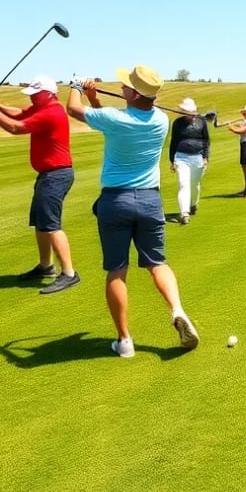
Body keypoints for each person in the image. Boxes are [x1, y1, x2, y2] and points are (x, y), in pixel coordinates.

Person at [66, 65, 199, 358]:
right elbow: (109, 120)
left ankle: (124, 341)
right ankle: (177, 309)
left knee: (117, 270)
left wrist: (76, 86)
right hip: (150, 201)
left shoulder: (116, 118)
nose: (121, 87)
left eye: (126, 85)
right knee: (158, 264)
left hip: (116, 201)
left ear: (135, 94)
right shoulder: (161, 120)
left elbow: (73, 110)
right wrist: (94, 98)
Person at [0, 75, 80, 294]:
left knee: (51, 225)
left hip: (56, 175)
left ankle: (69, 274)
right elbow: (19, 113)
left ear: (49, 94)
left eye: (36, 94)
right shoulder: (43, 108)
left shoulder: (51, 112)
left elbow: (16, 127)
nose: (32, 98)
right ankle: (46, 267)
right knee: (41, 223)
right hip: (48, 175)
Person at [168, 97, 209, 225]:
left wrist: (206, 157)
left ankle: (193, 204)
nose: (191, 115)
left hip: (197, 157)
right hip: (181, 157)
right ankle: (184, 213)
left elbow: (206, 140)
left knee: (194, 184)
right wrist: (172, 160)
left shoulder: (201, 122)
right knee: (183, 183)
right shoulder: (177, 123)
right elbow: (174, 141)